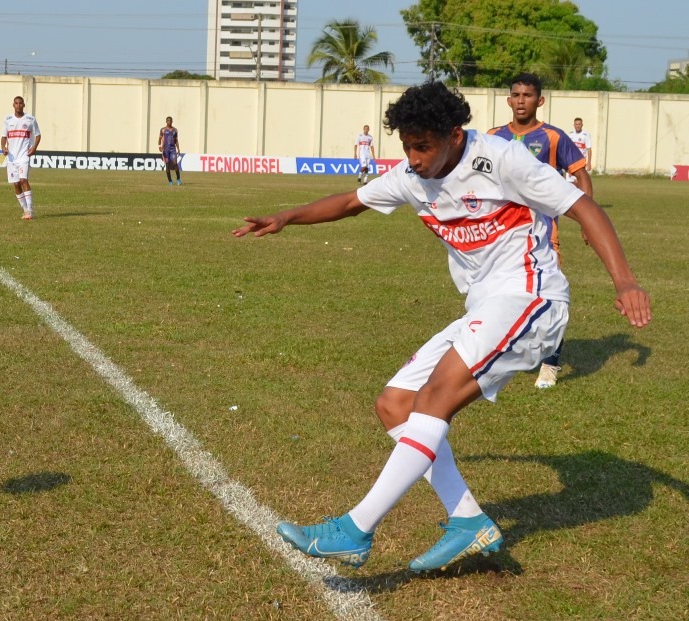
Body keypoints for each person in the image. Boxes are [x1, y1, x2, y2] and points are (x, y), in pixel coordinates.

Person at [232, 81, 650, 574]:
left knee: (434, 399)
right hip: (483, 307)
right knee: (395, 404)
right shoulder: (413, 176)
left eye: (423, 146)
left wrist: (625, 281)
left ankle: (354, 529)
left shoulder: (502, 160)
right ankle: (468, 521)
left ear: (455, 135)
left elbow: (583, 207)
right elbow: (351, 202)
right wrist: (285, 217)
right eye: (406, 146)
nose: (412, 157)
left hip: (532, 298)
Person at [489, 73, 592, 388]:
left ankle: (550, 363)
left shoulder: (553, 137)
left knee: (550, 299)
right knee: (499, 296)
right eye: (516, 95)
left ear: (540, 100)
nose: (521, 101)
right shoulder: (492, 136)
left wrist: (589, 219)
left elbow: (581, 176)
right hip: (502, 235)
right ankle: (500, 353)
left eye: (528, 95)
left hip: (544, 234)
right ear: (509, 100)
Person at [1, 96, 41, 220]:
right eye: (16, 103)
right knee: (16, 184)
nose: (18, 105)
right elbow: (3, 136)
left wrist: (34, 147)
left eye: (20, 103)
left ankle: (30, 210)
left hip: (24, 156)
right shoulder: (7, 119)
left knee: (24, 180)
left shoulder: (30, 119)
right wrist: (3, 147)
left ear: (23, 105)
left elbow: (38, 135)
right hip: (12, 158)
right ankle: (25, 210)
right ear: (13, 105)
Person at [159, 116, 181, 186]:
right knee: (167, 165)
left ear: (172, 121)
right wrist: (159, 146)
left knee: (175, 163)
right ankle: (170, 181)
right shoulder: (163, 130)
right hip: (165, 150)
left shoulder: (175, 130)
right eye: (168, 121)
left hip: (172, 149)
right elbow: (159, 139)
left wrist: (178, 148)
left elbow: (176, 140)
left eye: (170, 121)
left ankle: (178, 179)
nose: (169, 122)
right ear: (166, 122)